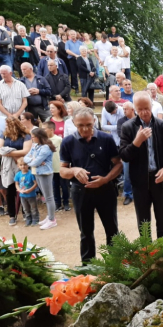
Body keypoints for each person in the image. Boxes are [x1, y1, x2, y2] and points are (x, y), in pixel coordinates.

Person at [60, 107, 122, 263]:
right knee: (86, 232)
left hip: (105, 190)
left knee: (112, 229)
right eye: (80, 125)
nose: (85, 128)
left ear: (95, 121)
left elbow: (118, 164)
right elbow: (62, 170)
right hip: (81, 192)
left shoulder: (106, 139)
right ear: (73, 123)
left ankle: (115, 264)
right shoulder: (68, 142)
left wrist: (106, 179)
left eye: (89, 124)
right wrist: (74, 170)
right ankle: (88, 267)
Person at [119, 91, 163, 238]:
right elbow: (124, 156)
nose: (144, 112)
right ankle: (147, 253)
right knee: (143, 222)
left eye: (147, 108)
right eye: (140, 109)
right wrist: (137, 142)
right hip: (140, 181)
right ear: (134, 109)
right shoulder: (127, 127)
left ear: (152, 105)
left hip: (160, 179)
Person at [0, 117, 32, 225]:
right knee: (10, 191)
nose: (6, 127)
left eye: (8, 125)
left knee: (23, 188)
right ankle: (12, 215)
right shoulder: (4, 135)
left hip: (22, 165)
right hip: (8, 167)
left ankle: (25, 213)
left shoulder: (26, 135)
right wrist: (14, 153)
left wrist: (9, 152)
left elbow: (26, 151)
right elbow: (0, 150)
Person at [24, 127, 57, 229]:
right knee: (47, 196)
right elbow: (26, 158)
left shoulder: (45, 147)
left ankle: (52, 219)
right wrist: (33, 160)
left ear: (39, 137)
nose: (32, 138)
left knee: (49, 197)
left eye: (33, 137)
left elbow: (34, 162)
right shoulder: (35, 145)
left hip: (45, 173)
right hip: (37, 172)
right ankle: (49, 216)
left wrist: (32, 161)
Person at [41, 120, 69, 211]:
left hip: (60, 168)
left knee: (64, 186)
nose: (43, 131)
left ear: (51, 130)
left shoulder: (59, 139)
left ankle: (66, 203)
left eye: (44, 129)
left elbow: (64, 153)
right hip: (50, 168)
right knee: (54, 186)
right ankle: (57, 203)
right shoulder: (43, 141)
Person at [117, 101, 135, 206]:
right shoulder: (121, 121)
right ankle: (128, 195)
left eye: (126, 109)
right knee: (127, 175)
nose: (124, 111)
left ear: (132, 110)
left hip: (139, 151)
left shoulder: (139, 120)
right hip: (127, 151)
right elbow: (121, 134)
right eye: (123, 109)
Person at [14, 158, 39, 226]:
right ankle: (28, 219)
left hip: (31, 195)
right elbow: (16, 184)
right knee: (25, 209)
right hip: (22, 195)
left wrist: (30, 190)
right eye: (21, 165)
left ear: (28, 165)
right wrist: (19, 190)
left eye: (25, 164)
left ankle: (35, 219)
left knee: (33, 208)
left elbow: (36, 183)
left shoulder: (31, 173)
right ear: (18, 166)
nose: (23, 166)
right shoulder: (18, 174)